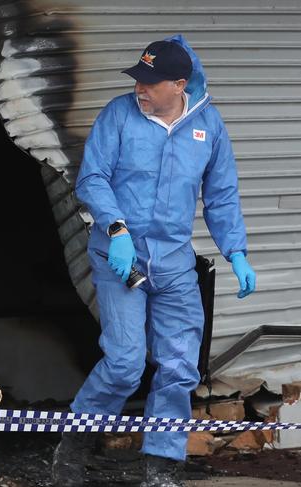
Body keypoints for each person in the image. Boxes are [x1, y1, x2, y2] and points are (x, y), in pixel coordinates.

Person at [52, 35, 256, 487]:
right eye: (138, 80)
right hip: (119, 258)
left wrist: (236, 252)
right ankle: (74, 444)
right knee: (125, 363)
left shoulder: (209, 126)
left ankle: (161, 467)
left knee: (180, 366)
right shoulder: (118, 115)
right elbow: (92, 178)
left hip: (174, 264)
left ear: (178, 84)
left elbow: (221, 196)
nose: (140, 89)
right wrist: (117, 229)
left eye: (149, 82)